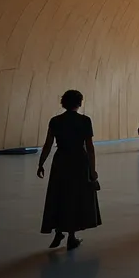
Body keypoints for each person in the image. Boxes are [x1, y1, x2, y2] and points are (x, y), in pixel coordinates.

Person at [37, 90, 100, 250]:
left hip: (61, 161)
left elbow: (48, 144)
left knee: (59, 195)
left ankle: (58, 230)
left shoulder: (55, 121)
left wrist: (41, 163)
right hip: (79, 161)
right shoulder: (85, 121)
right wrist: (93, 170)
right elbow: (90, 148)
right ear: (79, 103)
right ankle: (71, 237)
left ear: (63, 103)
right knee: (75, 198)